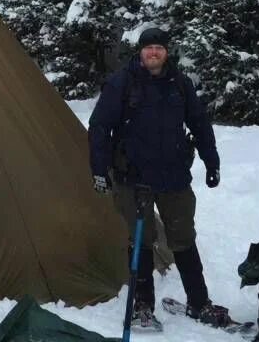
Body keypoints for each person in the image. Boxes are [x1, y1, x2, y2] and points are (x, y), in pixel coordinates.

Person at [88, 26, 233, 331]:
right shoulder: (122, 83)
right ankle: (143, 306)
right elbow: (100, 126)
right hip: (134, 179)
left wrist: (212, 161)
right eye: (148, 47)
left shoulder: (179, 84)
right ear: (139, 51)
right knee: (141, 241)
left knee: (183, 239)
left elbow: (199, 123)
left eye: (159, 48)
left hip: (174, 177)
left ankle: (198, 302)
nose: (153, 52)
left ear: (167, 52)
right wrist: (99, 169)